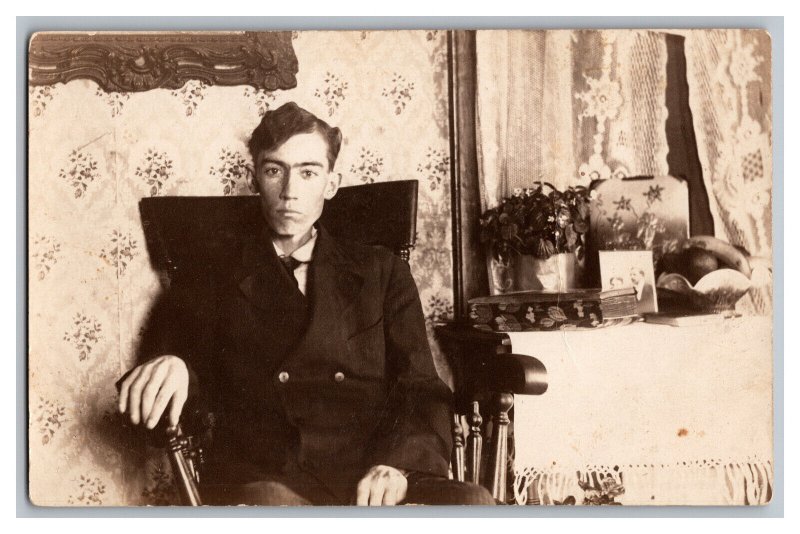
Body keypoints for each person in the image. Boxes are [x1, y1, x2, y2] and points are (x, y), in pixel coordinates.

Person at [117, 102, 494, 506]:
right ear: (255, 179)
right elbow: (170, 399)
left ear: (331, 184)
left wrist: (397, 466)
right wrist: (175, 367)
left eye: (309, 172)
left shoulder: (381, 272)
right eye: (274, 170)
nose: (290, 191)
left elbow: (419, 388)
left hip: (370, 474)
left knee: (473, 503)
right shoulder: (212, 273)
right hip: (268, 477)